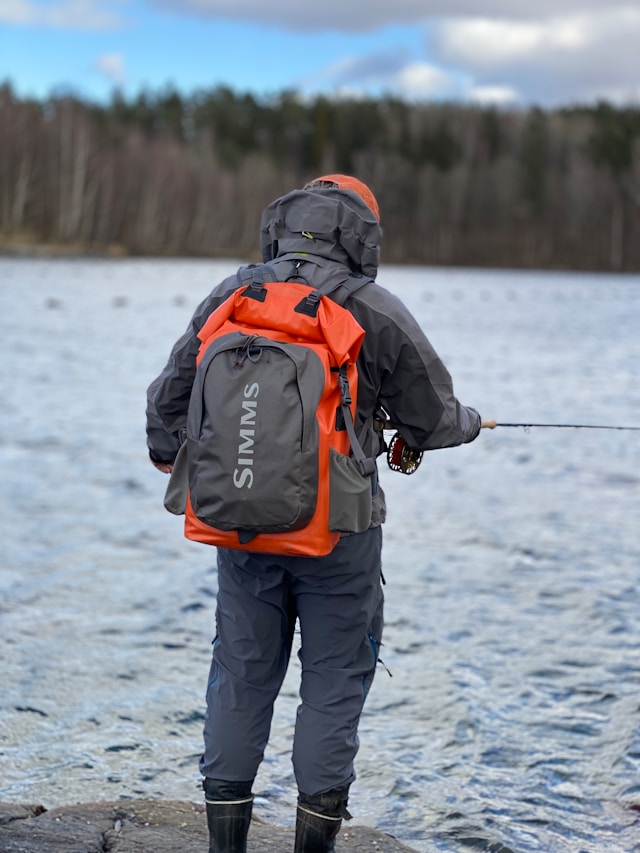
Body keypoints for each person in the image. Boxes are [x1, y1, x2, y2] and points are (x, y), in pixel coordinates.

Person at [146, 174, 482, 853]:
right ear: (362, 236)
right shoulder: (374, 307)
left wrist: (167, 456)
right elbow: (434, 419)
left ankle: (225, 844)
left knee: (241, 673)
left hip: (239, 523)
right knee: (333, 679)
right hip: (340, 534)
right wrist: (468, 424)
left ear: (282, 223)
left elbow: (166, 402)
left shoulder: (234, 294)